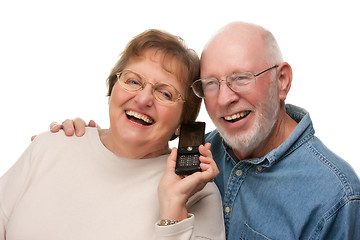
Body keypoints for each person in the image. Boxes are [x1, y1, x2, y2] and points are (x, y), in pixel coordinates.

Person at [47, 22, 360, 239]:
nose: (224, 99)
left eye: (241, 77)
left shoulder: (337, 196)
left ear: (282, 81)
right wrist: (86, 145)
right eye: (211, 83)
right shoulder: (195, 152)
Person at [0, 29, 226, 240]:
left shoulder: (198, 192)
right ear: (112, 90)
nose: (143, 99)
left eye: (165, 94)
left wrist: (173, 207)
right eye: (133, 81)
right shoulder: (50, 145)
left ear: (182, 123)